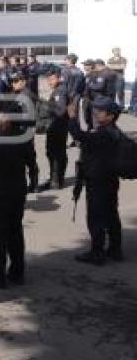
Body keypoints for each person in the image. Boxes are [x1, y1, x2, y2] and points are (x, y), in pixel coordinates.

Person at [0, 116, 34, 288]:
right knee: (15, 232)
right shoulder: (23, 139)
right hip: (17, 192)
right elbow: (32, 164)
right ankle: (17, 271)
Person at [68, 97, 123, 265]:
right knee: (111, 214)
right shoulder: (114, 131)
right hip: (109, 179)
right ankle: (115, 249)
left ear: (111, 116)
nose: (96, 113)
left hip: (99, 181)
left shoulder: (103, 133)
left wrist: (72, 118)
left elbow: (80, 136)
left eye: (101, 111)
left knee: (96, 217)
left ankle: (97, 252)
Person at [38, 69, 69, 191]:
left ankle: (55, 181)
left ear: (59, 78)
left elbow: (60, 111)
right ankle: (56, 179)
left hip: (57, 126)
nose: (49, 82)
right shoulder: (59, 89)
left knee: (55, 154)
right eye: (48, 80)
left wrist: (47, 105)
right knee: (56, 153)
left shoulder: (59, 92)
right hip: (58, 126)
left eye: (51, 79)